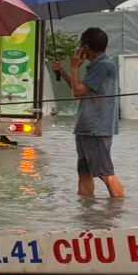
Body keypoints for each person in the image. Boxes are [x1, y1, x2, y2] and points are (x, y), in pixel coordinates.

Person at [51, 26, 123, 198]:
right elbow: (80, 90)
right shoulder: (98, 66)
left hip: (95, 128)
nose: (79, 49)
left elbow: (77, 92)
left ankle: (117, 212)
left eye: (81, 45)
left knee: (105, 173)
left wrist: (74, 67)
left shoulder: (103, 65)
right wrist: (64, 73)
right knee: (84, 172)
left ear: (87, 47)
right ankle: (86, 212)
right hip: (87, 126)